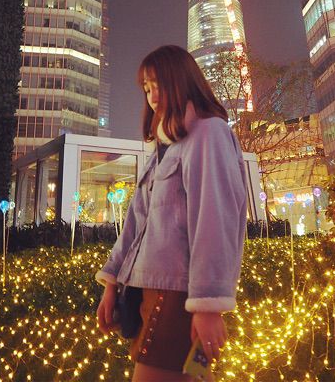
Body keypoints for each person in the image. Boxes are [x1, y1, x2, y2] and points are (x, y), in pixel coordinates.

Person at [96, 45, 247, 381]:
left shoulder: (208, 132)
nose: (152, 97)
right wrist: (111, 282)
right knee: (192, 376)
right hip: (149, 289)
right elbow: (136, 223)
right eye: (146, 88)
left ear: (181, 80)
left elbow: (214, 219)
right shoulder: (165, 147)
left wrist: (208, 306)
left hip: (178, 295)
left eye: (159, 85)